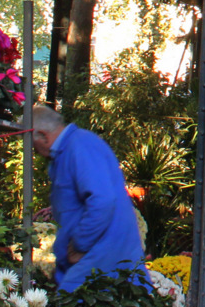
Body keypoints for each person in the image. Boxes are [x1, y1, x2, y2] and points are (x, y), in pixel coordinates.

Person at [29, 103, 149, 292]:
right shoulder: (68, 150)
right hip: (93, 258)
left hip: (102, 256)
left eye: (31, 144)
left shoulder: (80, 146)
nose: (33, 151)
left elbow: (103, 200)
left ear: (43, 135)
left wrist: (80, 244)